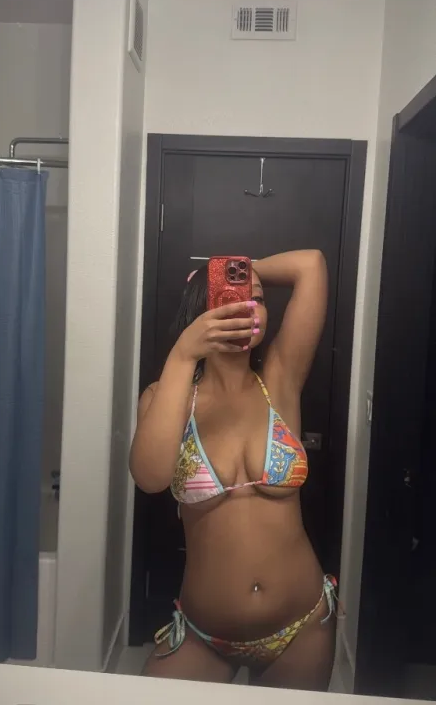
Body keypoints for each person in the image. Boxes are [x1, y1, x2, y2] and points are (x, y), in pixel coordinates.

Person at [130, 250, 340, 689]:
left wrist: (236, 271)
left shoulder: (280, 379)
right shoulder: (166, 396)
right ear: (198, 314)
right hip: (204, 636)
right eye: (229, 297)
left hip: (301, 627)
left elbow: (311, 264)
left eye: (256, 298)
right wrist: (184, 353)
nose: (247, 307)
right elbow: (149, 478)